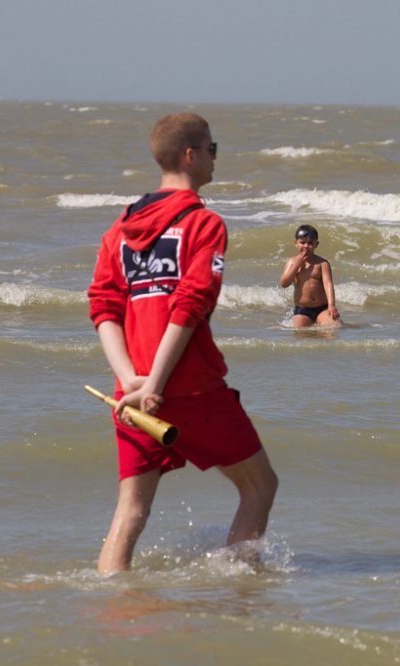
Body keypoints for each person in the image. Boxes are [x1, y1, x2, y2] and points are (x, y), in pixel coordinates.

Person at [87, 112, 278, 575]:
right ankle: (238, 590)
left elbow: (103, 307)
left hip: (130, 392)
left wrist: (131, 379)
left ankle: (112, 607)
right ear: (191, 155)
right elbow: (188, 308)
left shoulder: (120, 229)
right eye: (213, 148)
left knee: (131, 510)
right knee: (260, 486)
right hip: (188, 386)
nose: (216, 157)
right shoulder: (204, 223)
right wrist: (155, 382)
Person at [278, 224, 341, 327]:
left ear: (316, 244)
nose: (306, 246)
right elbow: (284, 283)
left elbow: (328, 284)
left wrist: (331, 305)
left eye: (310, 243)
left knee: (334, 328)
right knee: (300, 333)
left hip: (322, 308)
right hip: (303, 310)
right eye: (302, 242)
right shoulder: (292, 262)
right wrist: (297, 265)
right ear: (296, 243)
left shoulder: (322, 263)